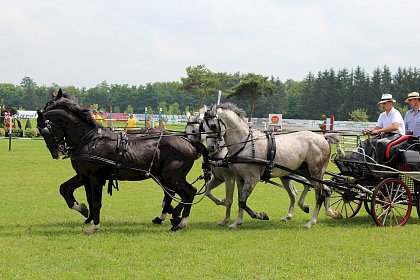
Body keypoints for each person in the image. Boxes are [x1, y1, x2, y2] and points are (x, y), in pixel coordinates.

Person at [361, 93, 405, 163]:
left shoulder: (395, 113)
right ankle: (364, 161)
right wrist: (369, 131)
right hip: (386, 136)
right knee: (367, 142)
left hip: (397, 136)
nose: (382, 105)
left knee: (380, 143)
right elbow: (377, 128)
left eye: (384, 103)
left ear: (391, 103)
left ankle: (379, 164)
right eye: (382, 104)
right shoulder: (382, 115)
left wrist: (379, 130)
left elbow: (395, 127)